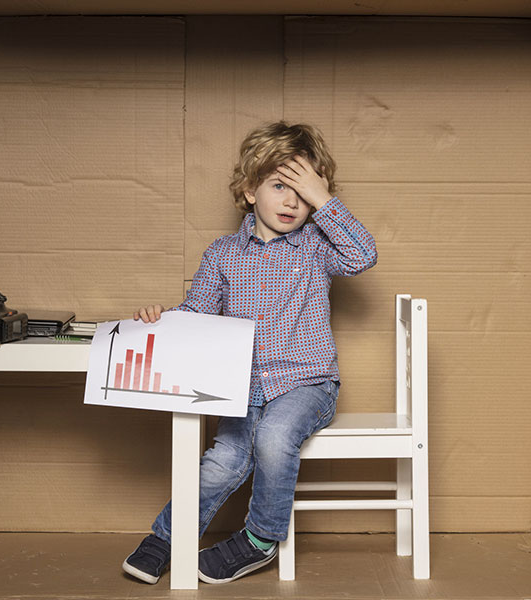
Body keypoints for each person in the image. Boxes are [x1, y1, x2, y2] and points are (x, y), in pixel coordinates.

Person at [122, 121, 377, 585]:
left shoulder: (318, 248)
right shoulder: (222, 254)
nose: (291, 201)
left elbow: (363, 255)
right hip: (240, 388)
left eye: (304, 191)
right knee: (222, 461)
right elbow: (196, 312)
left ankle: (260, 539)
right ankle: (167, 537)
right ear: (248, 190)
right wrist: (160, 318)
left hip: (305, 384)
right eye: (280, 186)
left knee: (275, 436)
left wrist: (326, 201)